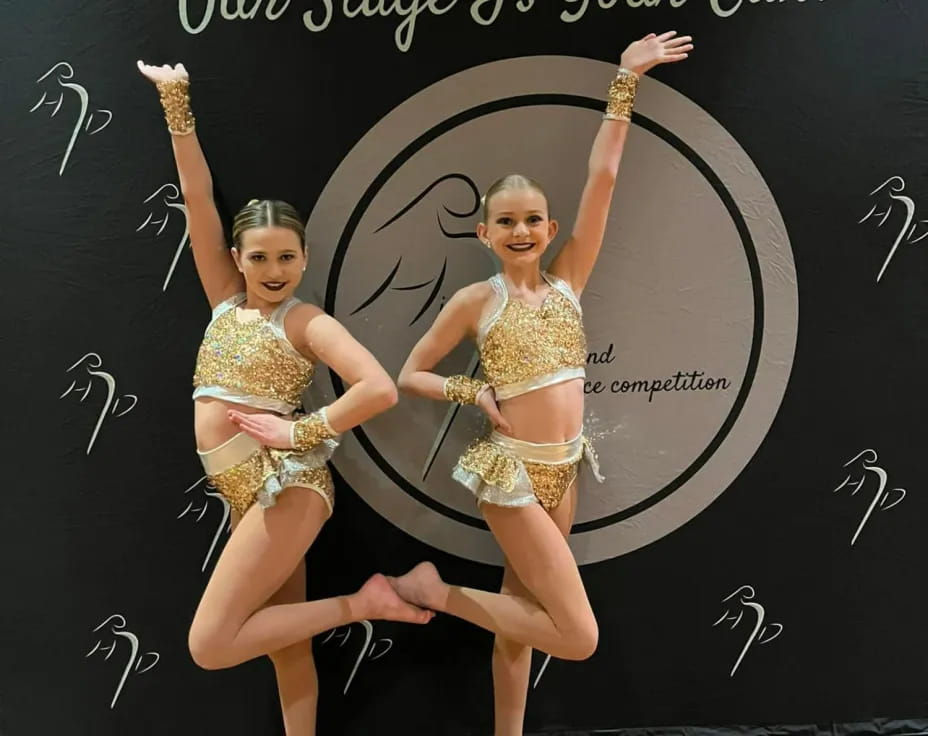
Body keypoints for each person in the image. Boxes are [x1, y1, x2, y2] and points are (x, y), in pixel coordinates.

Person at [389, 32, 693, 736]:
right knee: (578, 636)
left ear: (550, 227)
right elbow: (411, 372)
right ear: (484, 233)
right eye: (507, 221)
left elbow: (604, 180)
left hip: (564, 471)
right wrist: (472, 393)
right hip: (513, 477)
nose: (521, 229)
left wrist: (626, 82)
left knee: (523, 620)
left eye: (532, 219)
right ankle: (437, 590)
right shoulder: (476, 300)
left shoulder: (569, 283)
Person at [136, 60, 432, 736]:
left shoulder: (304, 321)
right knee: (283, 646)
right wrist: (176, 101)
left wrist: (301, 433)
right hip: (243, 489)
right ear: (237, 258)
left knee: (209, 645)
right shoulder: (223, 301)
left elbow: (378, 387)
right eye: (260, 257)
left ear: (303, 258)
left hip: (284, 485)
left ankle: (366, 603)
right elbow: (198, 197)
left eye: (286, 258)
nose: (273, 272)